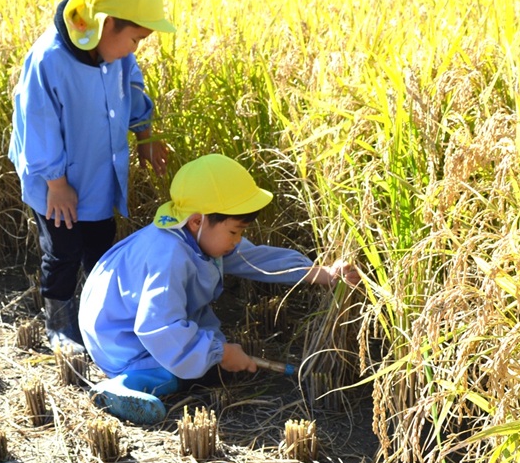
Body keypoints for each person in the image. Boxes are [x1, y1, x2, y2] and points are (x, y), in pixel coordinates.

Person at [79, 153, 359, 424]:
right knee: (189, 372)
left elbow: (258, 259)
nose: (239, 241)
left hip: (140, 327)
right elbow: (159, 328)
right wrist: (220, 354)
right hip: (121, 341)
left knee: (206, 362)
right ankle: (122, 385)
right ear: (198, 220)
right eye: (235, 232)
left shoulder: (195, 236)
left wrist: (324, 274)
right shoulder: (168, 257)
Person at [9, 0, 175, 353]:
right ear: (105, 24)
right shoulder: (48, 59)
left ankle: (99, 315)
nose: (137, 48)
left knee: (102, 244)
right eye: (136, 38)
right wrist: (56, 182)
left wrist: (145, 135)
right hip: (55, 185)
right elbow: (38, 122)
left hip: (99, 173)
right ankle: (60, 323)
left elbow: (132, 86)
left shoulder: (116, 54)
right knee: (63, 250)